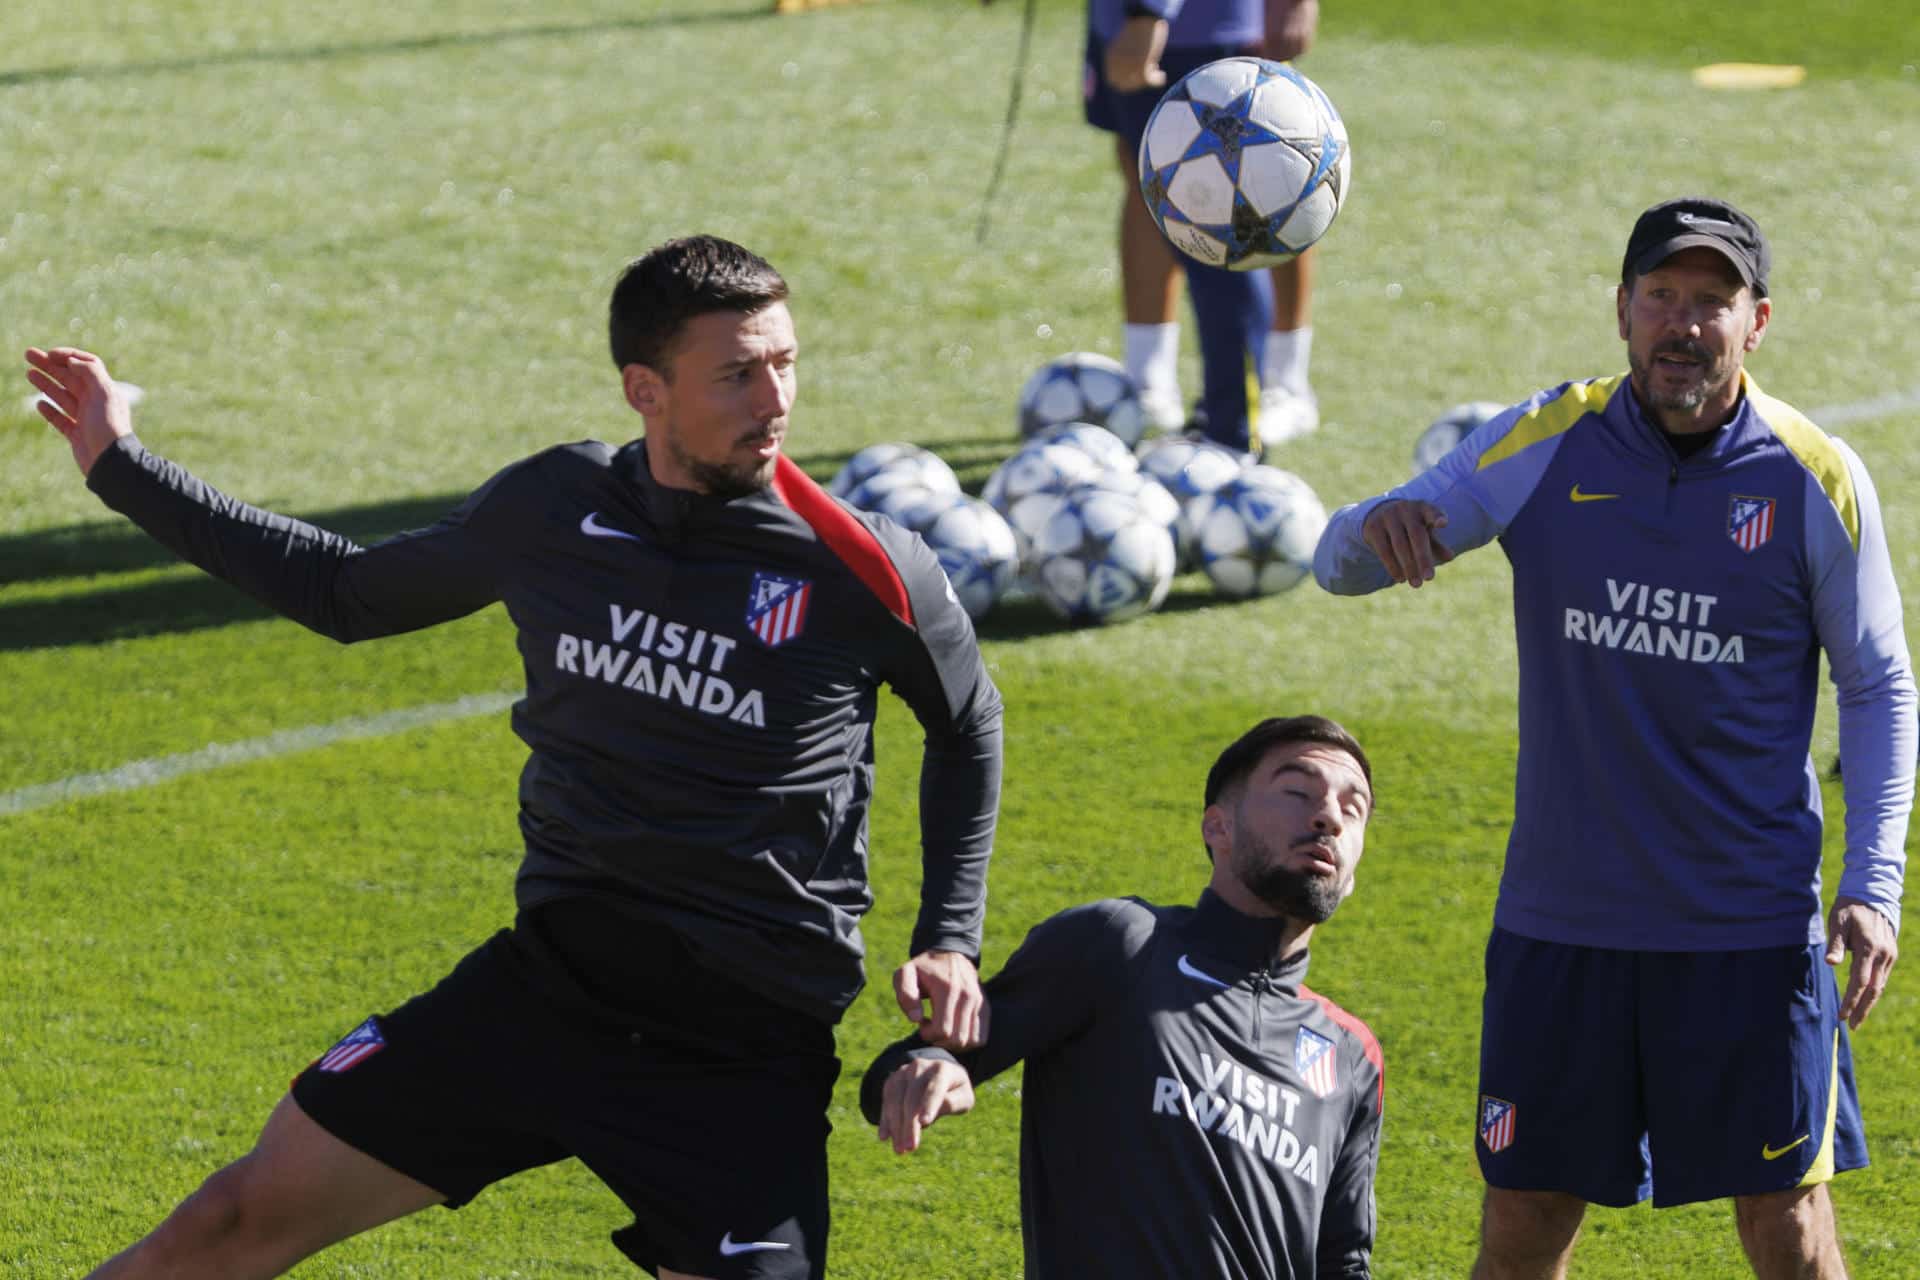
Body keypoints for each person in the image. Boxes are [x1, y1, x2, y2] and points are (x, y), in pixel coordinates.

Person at [24, 234, 1004, 1280]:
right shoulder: (555, 508)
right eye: (737, 373)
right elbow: (347, 595)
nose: (776, 399)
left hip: (741, 1044)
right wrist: (122, 467)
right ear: (646, 388)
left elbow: (966, 723)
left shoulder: (862, 566)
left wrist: (949, 935)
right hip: (549, 992)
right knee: (230, 1219)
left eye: (786, 362)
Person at [1313, 197, 1914, 1279]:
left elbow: (1878, 684)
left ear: (1758, 322)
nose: (1683, 324)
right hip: (1565, 924)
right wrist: (1371, 527)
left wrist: (1874, 882)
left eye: (1712, 303)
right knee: (1527, 1212)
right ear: (1623, 310)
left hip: (1751, 928)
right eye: (1661, 297)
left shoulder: (1816, 476)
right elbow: (1339, 560)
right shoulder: (1546, 440)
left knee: (1786, 1220)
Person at [862, 714, 1384, 1278]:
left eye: (1352, 809)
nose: (1328, 816)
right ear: (1219, 827)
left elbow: (1343, 1259)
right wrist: (928, 1067)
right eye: (1297, 791)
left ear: (1352, 873)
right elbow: (918, 1061)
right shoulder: (1120, 945)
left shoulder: (1351, 1054)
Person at [1088, 0, 1324, 452]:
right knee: (1146, 181)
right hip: (1130, 19)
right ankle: (1153, 390)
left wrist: (1147, 14)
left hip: (1200, 28)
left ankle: (1234, 431)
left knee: (1230, 211)